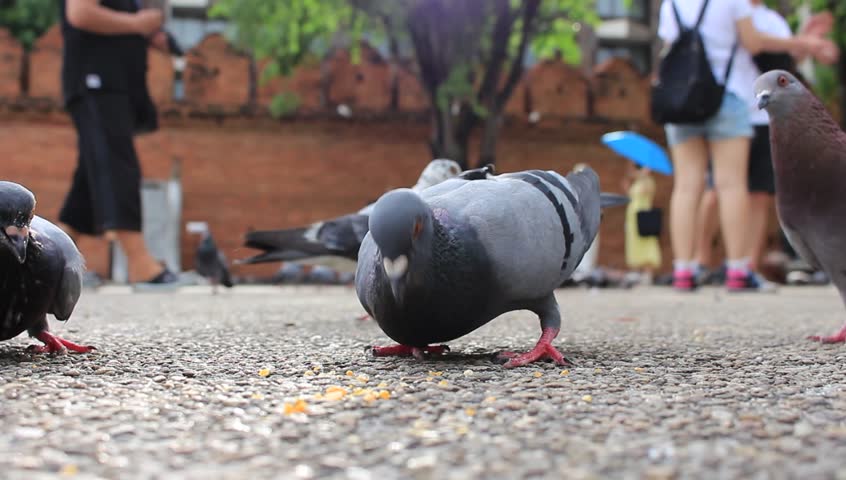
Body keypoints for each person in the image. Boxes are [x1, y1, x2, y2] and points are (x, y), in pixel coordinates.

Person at [657, 0, 834, 292]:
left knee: (687, 186)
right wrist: (803, 41)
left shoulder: (671, 3)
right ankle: (738, 270)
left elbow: (669, 46)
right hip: (727, 96)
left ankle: (683, 270)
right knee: (731, 185)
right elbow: (753, 43)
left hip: (681, 100)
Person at [58, 0, 177, 284]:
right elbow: (81, 12)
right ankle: (140, 263)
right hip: (95, 80)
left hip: (114, 83)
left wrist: (146, 32)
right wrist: (138, 24)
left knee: (90, 175)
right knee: (117, 163)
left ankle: (51, 259)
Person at [623, 166, 662, 283]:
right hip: (633, 217)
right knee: (634, 243)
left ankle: (648, 272)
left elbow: (647, 192)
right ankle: (637, 270)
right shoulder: (637, 182)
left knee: (647, 242)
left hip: (643, 215)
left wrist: (642, 176)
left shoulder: (648, 182)